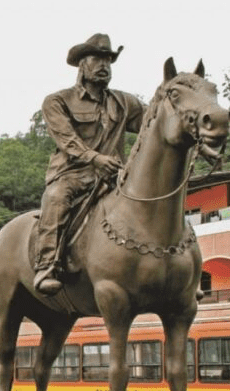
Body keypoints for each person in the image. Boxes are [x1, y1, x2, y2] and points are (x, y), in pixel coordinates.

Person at [34, 33, 146, 295]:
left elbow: (152, 124)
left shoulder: (124, 102)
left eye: (108, 59)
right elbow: (67, 140)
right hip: (73, 175)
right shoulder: (57, 101)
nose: (104, 64)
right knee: (56, 197)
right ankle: (47, 263)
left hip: (116, 178)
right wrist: (94, 159)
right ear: (82, 64)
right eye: (97, 58)